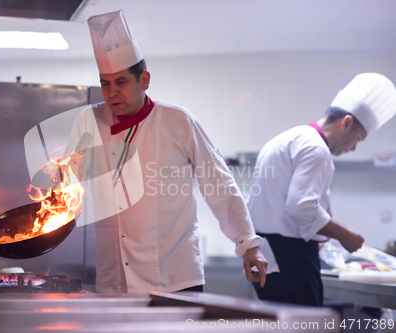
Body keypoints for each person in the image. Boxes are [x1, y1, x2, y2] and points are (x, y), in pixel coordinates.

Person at [66, 9, 267, 294]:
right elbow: (67, 185)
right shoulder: (88, 122)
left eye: (121, 82)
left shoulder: (178, 121)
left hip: (175, 280)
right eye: (105, 83)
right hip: (114, 283)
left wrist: (248, 244)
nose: (111, 93)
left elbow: (219, 183)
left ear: (144, 80)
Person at [247, 73, 396, 306]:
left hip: (266, 255)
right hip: (290, 259)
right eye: (358, 138)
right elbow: (301, 207)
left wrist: (319, 235)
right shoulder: (316, 148)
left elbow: (276, 206)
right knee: (307, 327)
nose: (354, 147)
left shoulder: (288, 138)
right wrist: (344, 235)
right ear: (346, 122)